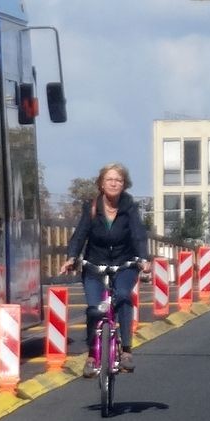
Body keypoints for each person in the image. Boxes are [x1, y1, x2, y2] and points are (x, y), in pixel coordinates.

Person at [63, 162, 148, 377]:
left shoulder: (129, 207)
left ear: (124, 184)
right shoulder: (91, 207)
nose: (113, 183)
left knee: (123, 296)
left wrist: (144, 258)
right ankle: (92, 356)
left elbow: (138, 234)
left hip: (124, 264)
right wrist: (72, 257)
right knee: (94, 309)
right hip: (95, 265)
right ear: (101, 183)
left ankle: (126, 350)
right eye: (109, 179)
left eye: (118, 180)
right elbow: (80, 234)